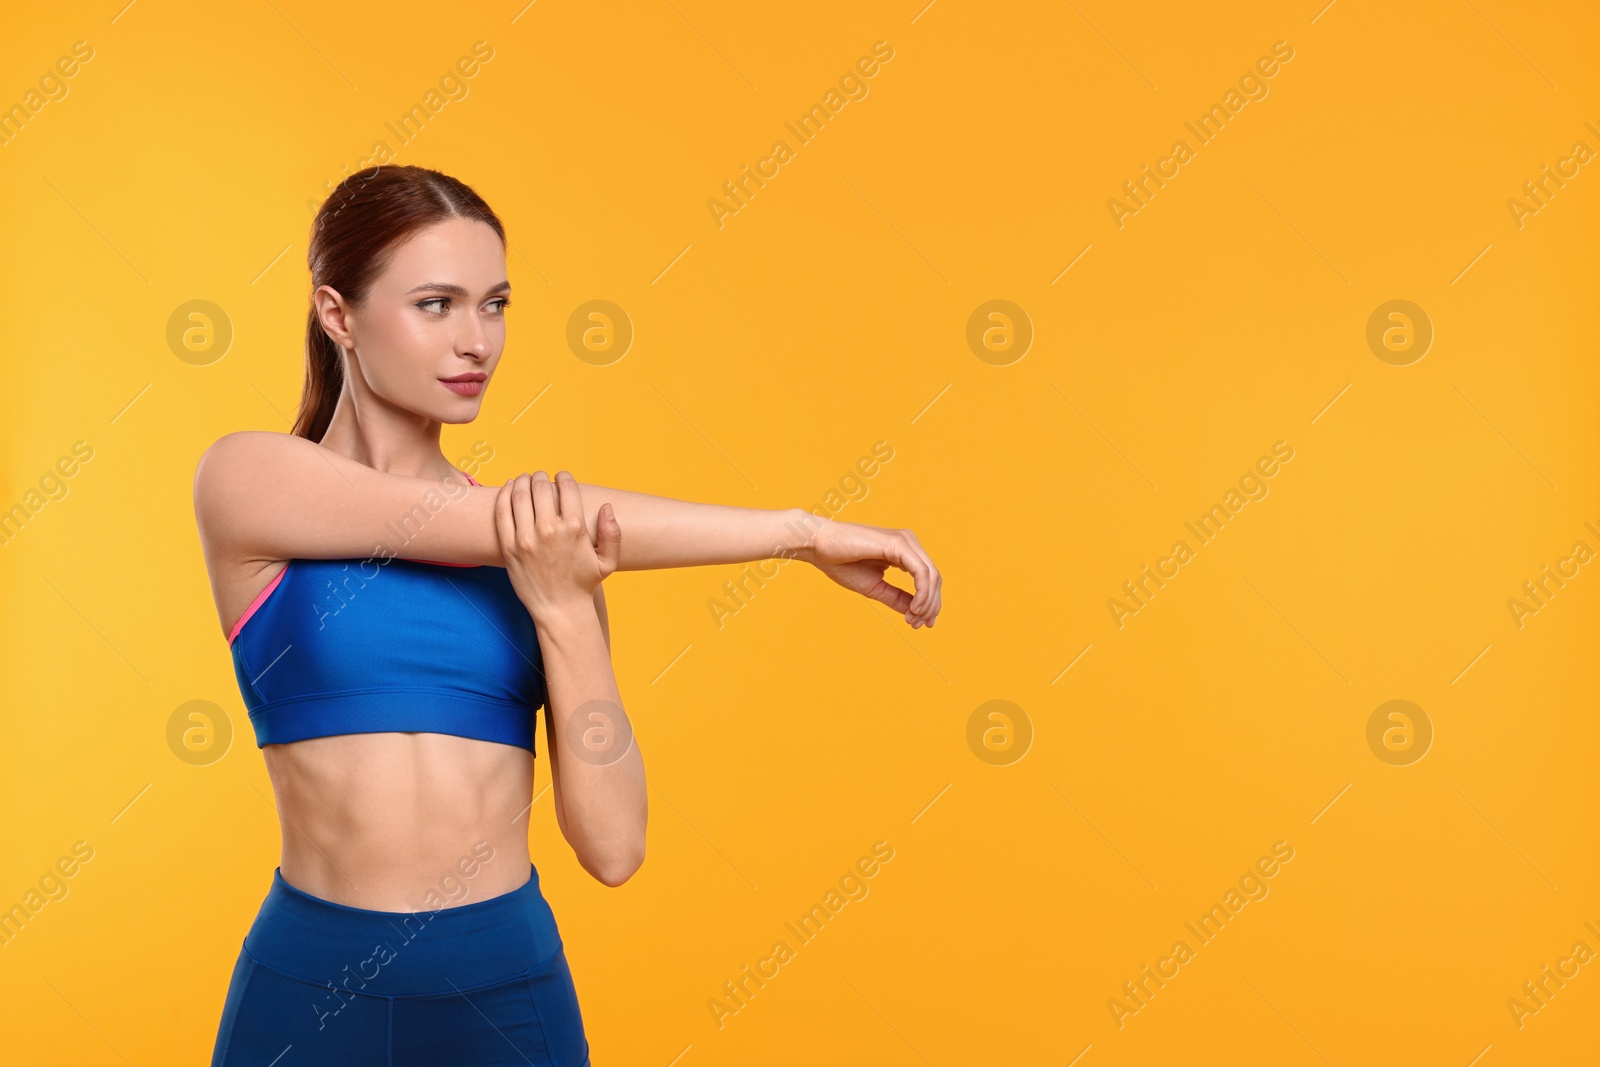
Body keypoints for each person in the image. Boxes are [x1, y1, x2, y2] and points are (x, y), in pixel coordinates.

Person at [194, 164, 942, 1065]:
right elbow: (480, 523)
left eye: (495, 304)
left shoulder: (546, 556)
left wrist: (564, 610)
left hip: (504, 983)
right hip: (312, 984)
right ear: (337, 314)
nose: (477, 341)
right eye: (437, 304)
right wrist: (801, 532)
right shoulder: (249, 479)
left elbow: (615, 846)